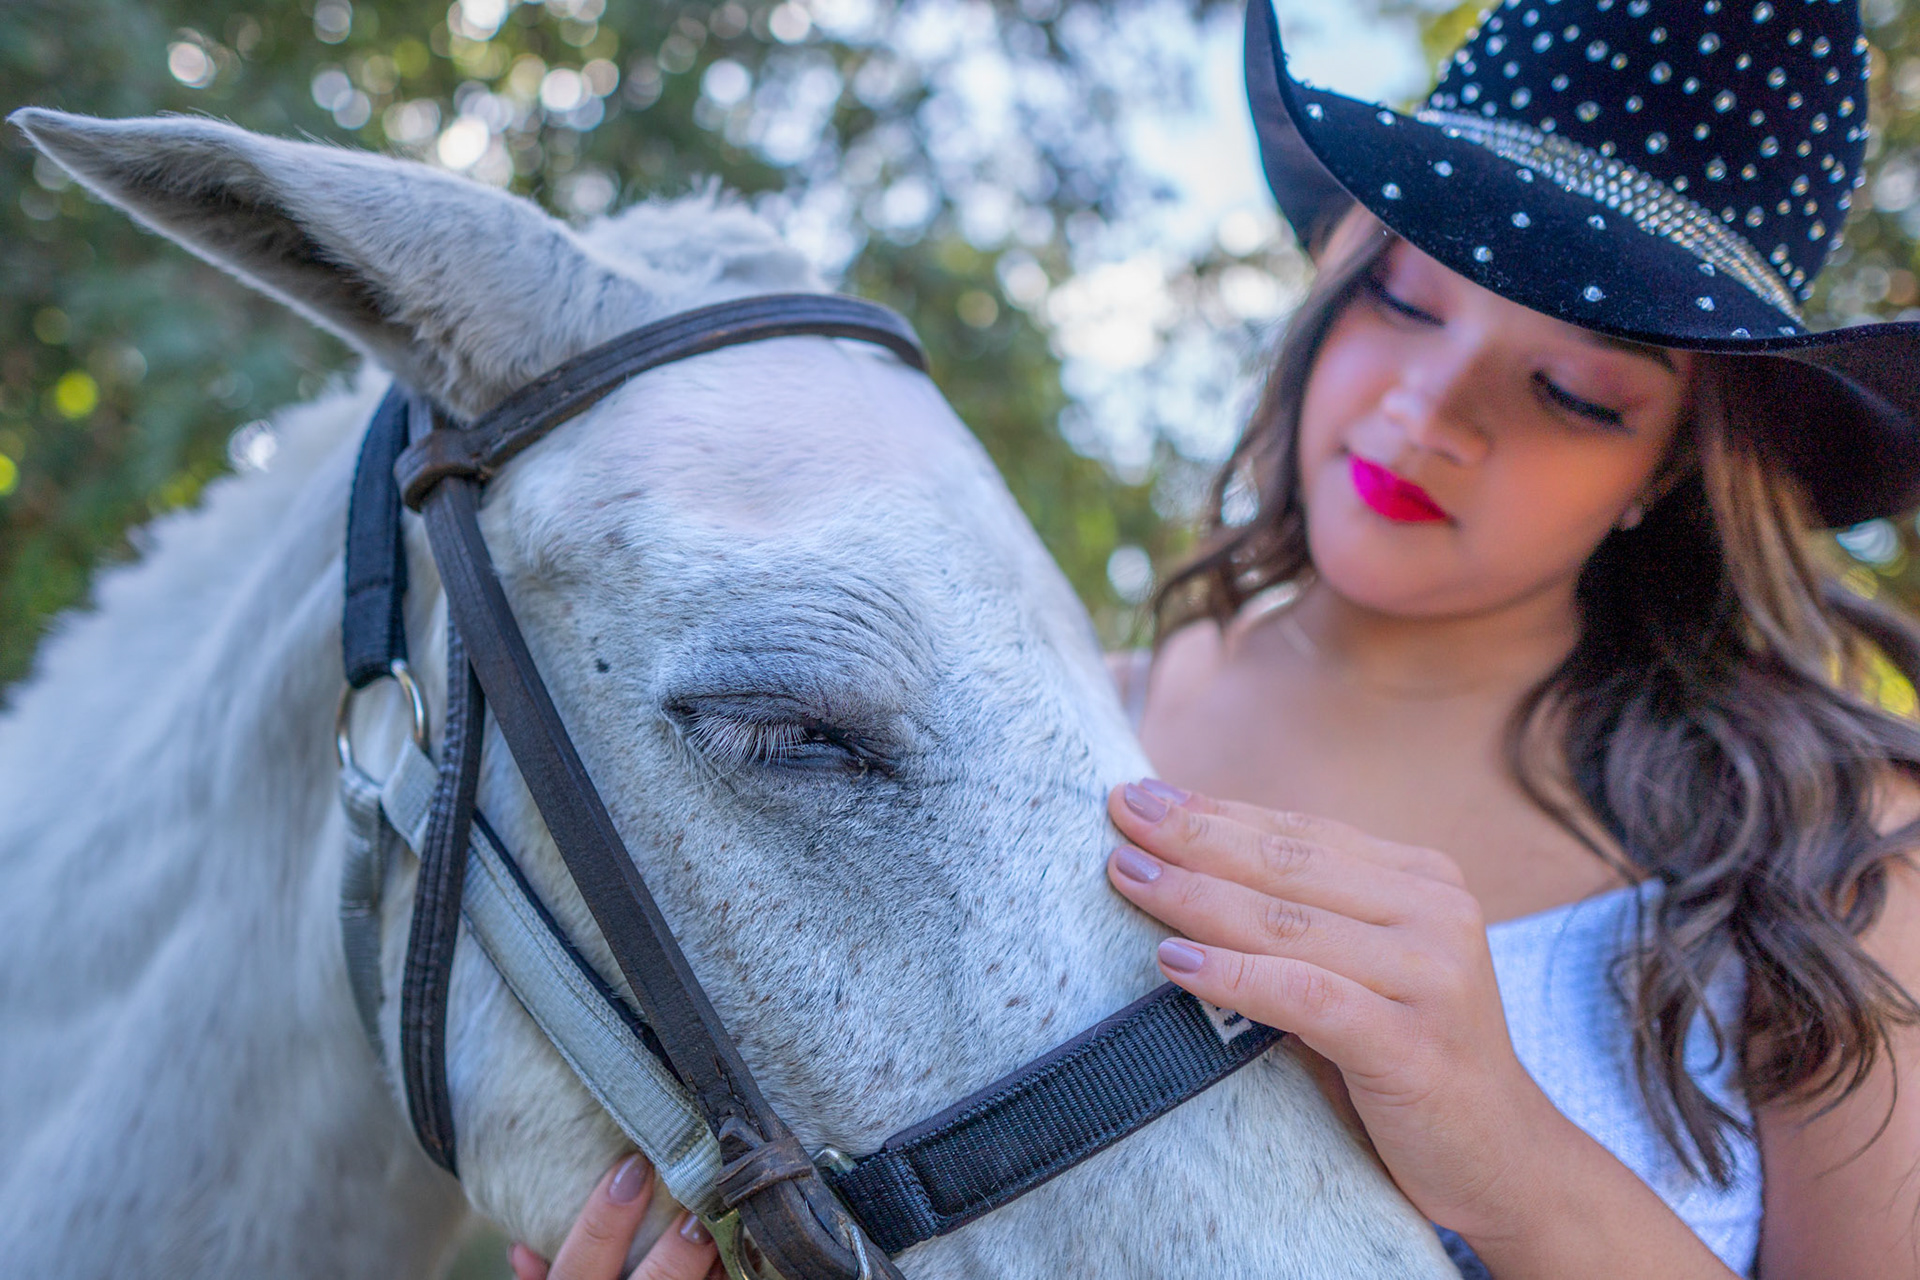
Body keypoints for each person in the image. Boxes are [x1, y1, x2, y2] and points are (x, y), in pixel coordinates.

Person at [513, 0, 1920, 1275]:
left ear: (1671, 469)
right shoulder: (1008, 743)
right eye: (1403, 296)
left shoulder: (1831, 852)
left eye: (1571, 390)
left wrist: (1516, 1163)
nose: (1429, 408)